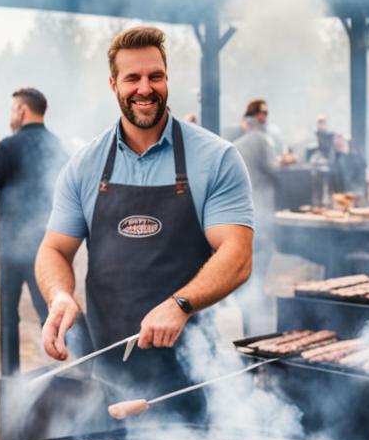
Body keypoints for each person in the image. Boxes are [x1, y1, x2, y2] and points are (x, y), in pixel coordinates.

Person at [37, 26, 254, 417]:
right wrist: (61, 297)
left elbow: (237, 254)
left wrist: (181, 304)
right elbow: (54, 249)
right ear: (113, 84)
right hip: (106, 372)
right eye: (132, 78)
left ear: (167, 79)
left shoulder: (216, 158)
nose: (144, 88)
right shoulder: (84, 165)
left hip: (189, 371)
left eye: (155, 76)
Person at [0, 87, 68, 374]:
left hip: (12, 244)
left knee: (9, 315)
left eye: (12, 110)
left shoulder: (8, 145)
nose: (11, 116)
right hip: (46, 243)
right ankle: (61, 367)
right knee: (49, 311)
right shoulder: (57, 144)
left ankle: (10, 375)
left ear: (22, 110)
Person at [232, 103, 284, 337]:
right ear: (254, 117)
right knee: (260, 272)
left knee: (249, 271)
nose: (265, 117)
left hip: (246, 212)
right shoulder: (262, 140)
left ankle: (248, 325)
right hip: (261, 211)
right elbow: (275, 169)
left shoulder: (237, 144)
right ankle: (257, 329)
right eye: (262, 113)